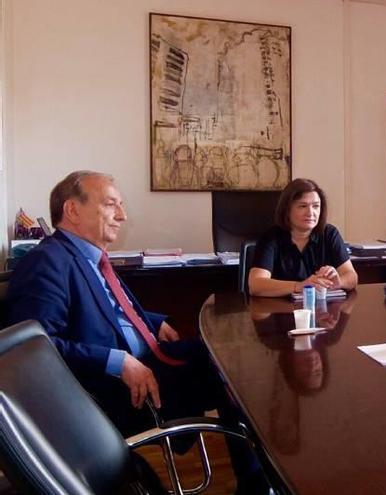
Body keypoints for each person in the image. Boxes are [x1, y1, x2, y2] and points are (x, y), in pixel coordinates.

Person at [5, 171, 271, 493]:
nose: (123, 215)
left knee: (229, 357)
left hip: (144, 362)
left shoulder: (86, 256)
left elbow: (110, 309)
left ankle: (257, 481)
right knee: (232, 374)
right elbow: (36, 351)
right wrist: (116, 361)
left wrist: (154, 321)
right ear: (72, 210)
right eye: (111, 205)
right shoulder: (47, 262)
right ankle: (259, 484)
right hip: (113, 391)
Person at [249, 178, 358, 297]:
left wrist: (338, 282)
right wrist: (300, 286)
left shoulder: (329, 233)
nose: (310, 213)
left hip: (322, 311)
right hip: (281, 310)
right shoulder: (271, 237)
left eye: (316, 206)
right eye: (302, 206)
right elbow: (256, 285)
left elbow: (352, 277)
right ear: (287, 209)